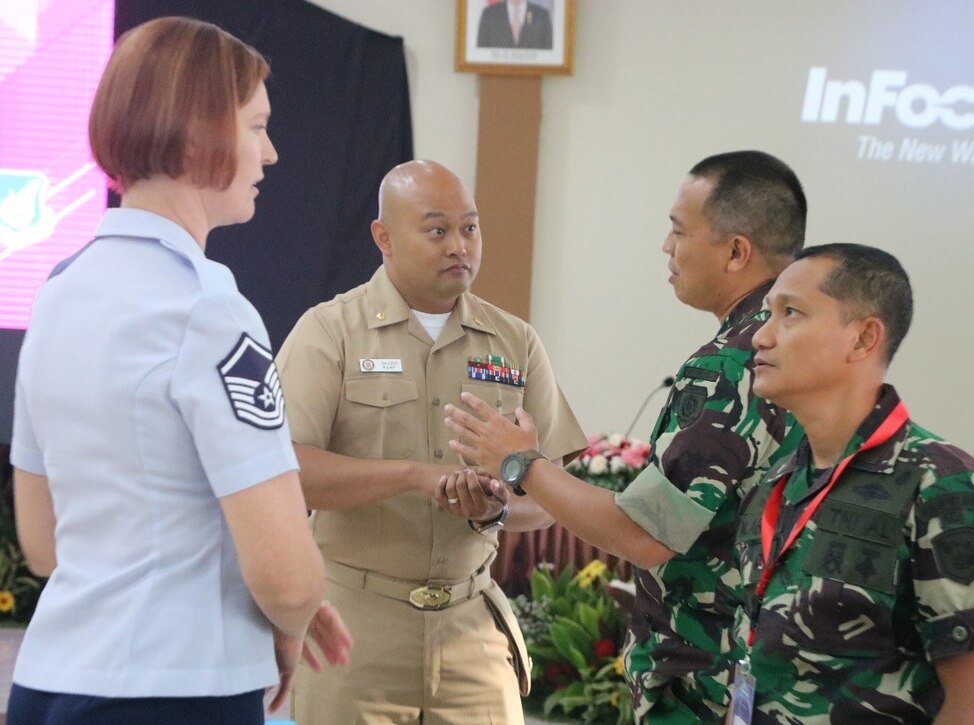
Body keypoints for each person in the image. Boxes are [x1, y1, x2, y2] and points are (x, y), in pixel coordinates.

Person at [7, 16, 351, 725]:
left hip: (48, 681)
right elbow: (286, 576)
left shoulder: (57, 296)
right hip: (174, 688)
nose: (272, 153)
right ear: (200, 139)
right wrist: (288, 616)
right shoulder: (209, 312)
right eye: (257, 127)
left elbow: (43, 544)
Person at [444, 151, 807, 722]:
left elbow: (644, 535)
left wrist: (522, 465)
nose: (667, 246)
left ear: (737, 251)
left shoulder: (731, 366)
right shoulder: (796, 347)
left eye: (679, 230)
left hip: (704, 679)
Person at [275, 158, 586, 724]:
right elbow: (285, 471)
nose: (459, 246)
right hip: (356, 627)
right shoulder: (330, 331)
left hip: (471, 626)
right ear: (384, 237)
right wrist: (414, 477)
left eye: (470, 228)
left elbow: (550, 497)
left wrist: (498, 508)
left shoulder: (514, 341)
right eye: (437, 230)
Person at [733, 243, 974, 722]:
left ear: (864, 339)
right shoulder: (780, 477)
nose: (761, 337)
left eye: (791, 313)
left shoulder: (942, 484)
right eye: (766, 314)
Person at [477, 0, 554, 50]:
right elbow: (481, 49)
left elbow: (548, 49)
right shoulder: (489, 13)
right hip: (495, 74)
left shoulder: (542, 15)